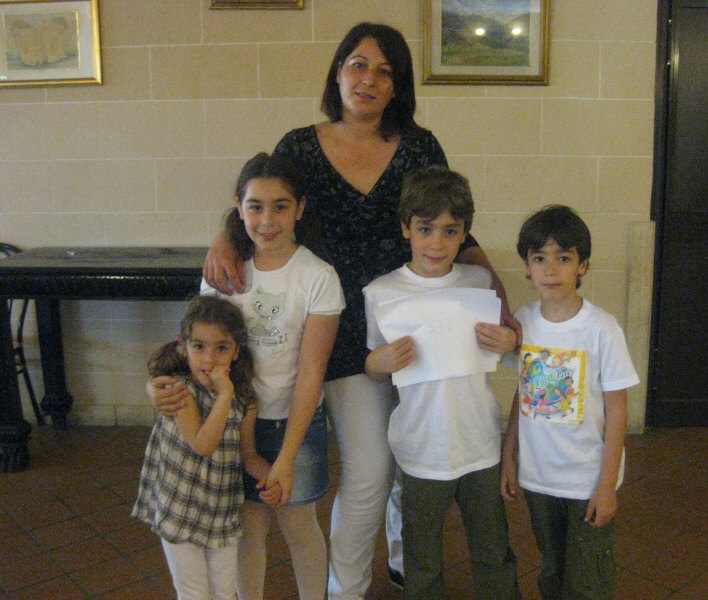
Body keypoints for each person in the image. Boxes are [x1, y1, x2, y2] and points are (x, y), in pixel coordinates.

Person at [181, 22, 520, 600]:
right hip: (335, 335)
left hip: (414, 331)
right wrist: (222, 236)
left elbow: (453, 225)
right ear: (338, 72)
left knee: (411, 456)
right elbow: (262, 202)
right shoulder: (299, 146)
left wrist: (499, 295)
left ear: (398, 85)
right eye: (358, 64)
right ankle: (347, 588)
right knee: (369, 472)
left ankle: (402, 560)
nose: (369, 79)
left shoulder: (419, 146)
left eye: (385, 71)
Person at [363, 165, 520, 600]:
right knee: (421, 556)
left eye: (450, 231)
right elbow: (375, 367)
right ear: (406, 228)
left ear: (464, 233)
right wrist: (378, 361)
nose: (436, 243)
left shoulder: (479, 281)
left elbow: (507, 346)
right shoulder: (381, 292)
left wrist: (509, 340)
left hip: (479, 443)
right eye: (425, 229)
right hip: (420, 448)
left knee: (493, 549)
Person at [208, 152, 344, 600]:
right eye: (255, 206)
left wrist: (285, 457)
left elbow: (311, 372)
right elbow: (203, 353)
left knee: (298, 523)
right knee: (248, 528)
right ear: (239, 207)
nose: (267, 221)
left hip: (294, 422)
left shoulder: (318, 276)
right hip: (235, 420)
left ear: (300, 208)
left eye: (280, 206)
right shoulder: (225, 273)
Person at [500, 205, 640, 600]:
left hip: (586, 479)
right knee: (552, 568)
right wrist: (508, 456)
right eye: (539, 258)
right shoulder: (524, 321)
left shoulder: (601, 329)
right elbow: (523, 393)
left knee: (588, 578)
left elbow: (617, 410)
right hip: (539, 477)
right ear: (527, 267)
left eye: (563, 258)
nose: (550, 270)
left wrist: (606, 486)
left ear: (582, 265)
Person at [132, 295, 279, 600]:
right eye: (199, 346)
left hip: (221, 511)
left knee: (225, 591)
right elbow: (203, 444)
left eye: (221, 347)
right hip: (180, 507)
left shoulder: (244, 401)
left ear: (236, 351)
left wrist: (272, 477)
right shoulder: (179, 391)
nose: (209, 359)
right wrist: (224, 395)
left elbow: (248, 455)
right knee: (194, 593)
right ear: (183, 347)